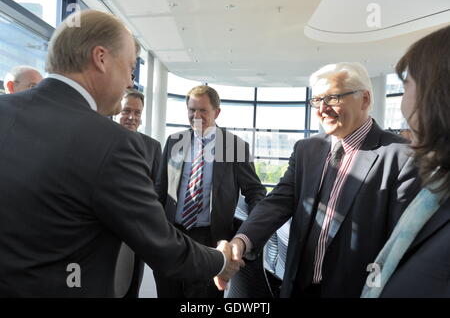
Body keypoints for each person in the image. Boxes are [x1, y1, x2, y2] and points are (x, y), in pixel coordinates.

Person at [0, 10, 241, 297]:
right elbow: (163, 246)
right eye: (130, 68)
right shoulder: (111, 142)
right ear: (101, 58)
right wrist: (222, 260)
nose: (130, 82)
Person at [227, 62, 421, 298]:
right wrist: (240, 242)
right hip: (297, 289)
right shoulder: (307, 149)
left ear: (365, 99)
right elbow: (276, 203)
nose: (322, 109)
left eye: (333, 98)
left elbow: (403, 244)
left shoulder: (402, 156)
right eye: (317, 100)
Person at [154, 85, 267, 298]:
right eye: (191, 110)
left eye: (202, 110)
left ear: (216, 112)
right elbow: (160, 189)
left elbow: (254, 191)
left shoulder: (234, 145)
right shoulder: (174, 141)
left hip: (211, 241)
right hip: (171, 235)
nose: (196, 115)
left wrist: (252, 232)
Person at [362, 25, 450, 298]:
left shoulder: (400, 156)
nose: (402, 103)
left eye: (406, 84)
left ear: (437, 93)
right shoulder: (436, 194)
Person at [114, 89, 162, 298]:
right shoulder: (98, 139)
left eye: (137, 113)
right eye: (126, 111)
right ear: (116, 111)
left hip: (136, 232)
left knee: (131, 287)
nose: (132, 118)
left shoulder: (152, 147)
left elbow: (157, 190)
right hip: (102, 231)